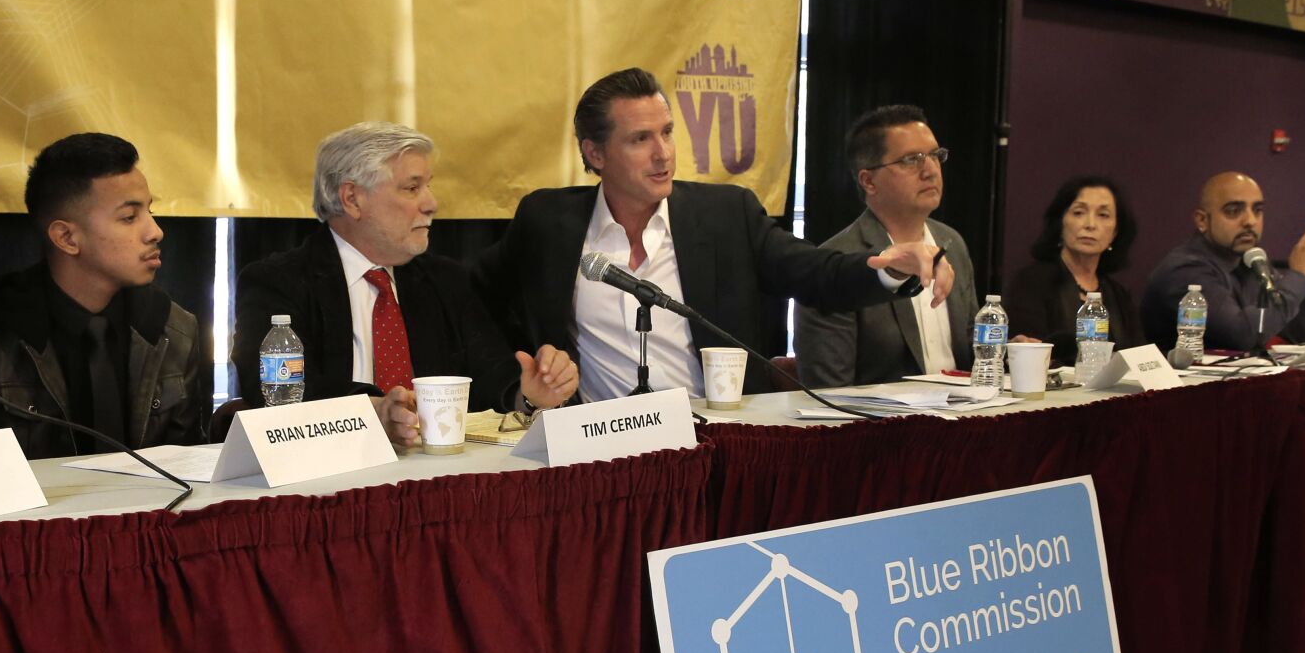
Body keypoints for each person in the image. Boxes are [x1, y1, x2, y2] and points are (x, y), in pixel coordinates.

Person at [478, 70, 946, 403]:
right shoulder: (547, 221)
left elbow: (814, 271)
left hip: (716, 441)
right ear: (595, 153)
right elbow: (474, 296)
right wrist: (515, 380)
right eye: (640, 139)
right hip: (600, 456)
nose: (663, 154)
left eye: (667, 132)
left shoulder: (725, 213)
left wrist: (887, 268)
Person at [232, 122, 577, 447]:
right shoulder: (278, 283)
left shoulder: (446, 281)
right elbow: (275, 390)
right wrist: (372, 412)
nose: (431, 203)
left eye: (428, 186)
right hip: (327, 480)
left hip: (435, 479)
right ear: (352, 199)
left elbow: (492, 379)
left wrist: (532, 393)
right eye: (412, 188)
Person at [0, 133, 208, 455]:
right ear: (67, 238)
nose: (155, 231)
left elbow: (190, 465)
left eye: (150, 211)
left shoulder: (175, 329)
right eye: (129, 217)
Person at [794, 105, 976, 386]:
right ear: (869, 181)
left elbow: (971, 351)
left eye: (935, 156)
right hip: (882, 426)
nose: (930, 171)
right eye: (910, 160)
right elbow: (828, 393)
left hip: (966, 419)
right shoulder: (834, 265)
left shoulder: (952, 243)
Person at [1140, 172, 1305, 352]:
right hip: (1181, 389)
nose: (1250, 221)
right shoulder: (1184, 270)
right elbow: (1243, 334)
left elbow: (1304, 334)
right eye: (1233, 211)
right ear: (1202, 220)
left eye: (1258, 210)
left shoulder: (1253, 263)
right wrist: (1300, 276)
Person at [1005, 176, 1141, 365]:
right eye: (1079, 213)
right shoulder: (1032, 283)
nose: (1090, 224)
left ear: (1115, 232)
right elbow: (1028, 353)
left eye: (1103, 215)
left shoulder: (1118, 295)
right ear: (1060, 222)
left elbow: (1138, 358)